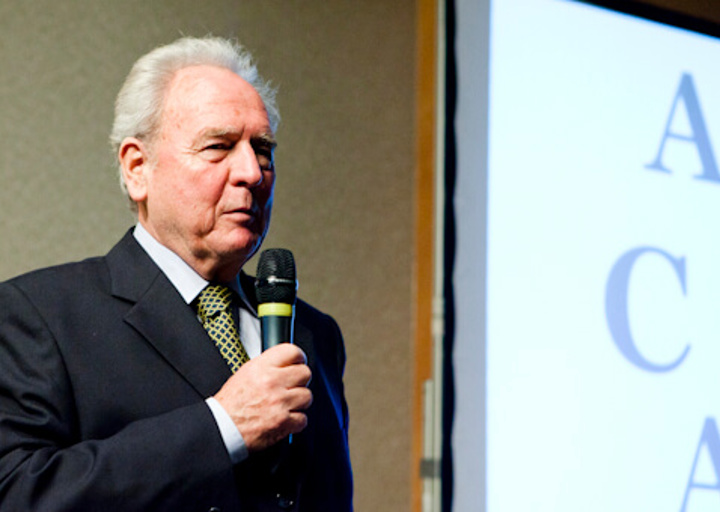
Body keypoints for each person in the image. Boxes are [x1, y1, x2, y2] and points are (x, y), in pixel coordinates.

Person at [0, 36, 352, 511]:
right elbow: (18, 493)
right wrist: (222, 426)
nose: (252, 172)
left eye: (262, 149)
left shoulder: (314, 333)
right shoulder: (38, 317)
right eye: (219, 146)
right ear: (137, 168)